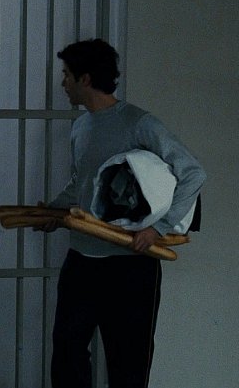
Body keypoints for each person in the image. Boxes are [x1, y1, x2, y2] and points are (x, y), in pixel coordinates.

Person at [38, 39, 206, 388]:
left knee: (128, 363)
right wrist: (53, 212)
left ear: (85, 79)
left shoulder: (139, 123)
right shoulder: (81, 126)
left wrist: (159, 228)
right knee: (67, 352)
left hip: (131, 263)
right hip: (82, 259)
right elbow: (81, 183)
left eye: (67, 75)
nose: (62, 83)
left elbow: (193, 173)